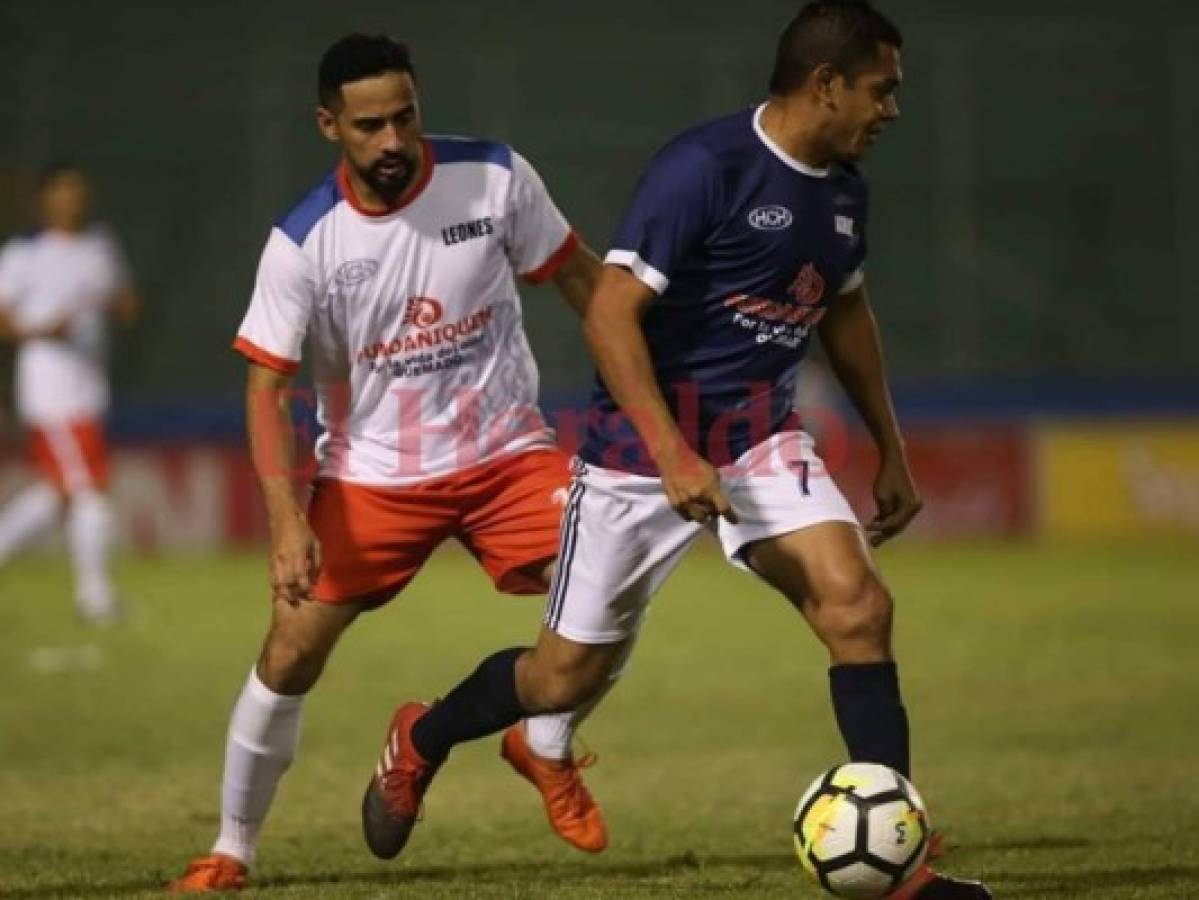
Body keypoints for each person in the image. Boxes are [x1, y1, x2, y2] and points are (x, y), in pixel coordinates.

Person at [360, 3, 992, 898]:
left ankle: (901, 866)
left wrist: (891, 448)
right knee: (557, 677)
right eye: (879, 89)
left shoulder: (844, 187)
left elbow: (845, 314)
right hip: (635, 453)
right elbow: (612, 310)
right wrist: (670, 454)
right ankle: (422, 738)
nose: (890, 109)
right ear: (825, 85)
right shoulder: (705, 166)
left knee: (856, 608)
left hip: (760, 441)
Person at [170, 34, 614, 893]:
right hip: (372, 478)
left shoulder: (494, 177)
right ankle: (231, 850)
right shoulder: (304, 243)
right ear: (328, 125)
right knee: (290, 653)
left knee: (612, 589)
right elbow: (266, 391)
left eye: (405, 117)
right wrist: (287, 523)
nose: (392, 141)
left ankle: (521, 741)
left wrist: (650, 395)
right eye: (369, 125)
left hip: (508, 458)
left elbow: (584, 284)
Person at [0, 164, 139, 624]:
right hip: (49, 389)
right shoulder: (25, 254)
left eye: (78, 191)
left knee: (61, 492)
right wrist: (43, 329)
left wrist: (116, 303)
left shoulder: (99, 247)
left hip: (88, 386)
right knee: (89, 490)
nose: (72, 200)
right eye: (63, 191)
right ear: (45, 199)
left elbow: (125, 304)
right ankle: (94, 597)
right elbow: (4, 317)